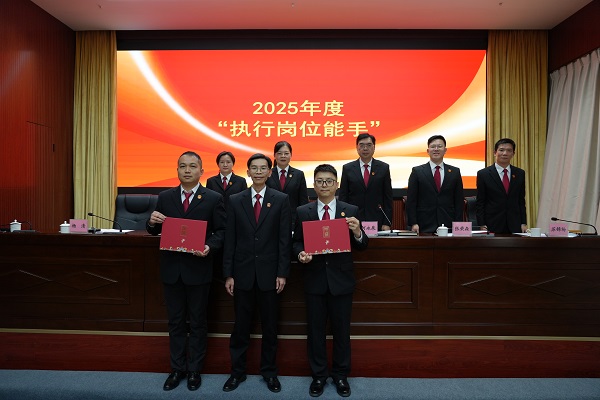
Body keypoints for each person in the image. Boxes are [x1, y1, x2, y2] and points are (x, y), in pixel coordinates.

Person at [146, 151, 226, 392]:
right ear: (177, 170)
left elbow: (221, 232)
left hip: (198, 269)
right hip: (172, 270)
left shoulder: (213, 198)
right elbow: (154, 230)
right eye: (183, 166)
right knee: (176, 322)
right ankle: (177, 369)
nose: (187, 170)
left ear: (202, 171)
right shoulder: (165, 197)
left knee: (198, 322)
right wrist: (151, 222)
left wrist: (209, 247)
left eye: (192, 166)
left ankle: (194, 370)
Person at [293, 164, 368, 398]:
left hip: (341, 280)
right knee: (315, 331)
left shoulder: (350, 210)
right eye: (320, 181)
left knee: (341, 331)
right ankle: (318, 376)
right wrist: (300, 253)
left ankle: (340, 376)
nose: (324, 185)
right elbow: (296, 242)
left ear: (336, 185)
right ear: (314, 185)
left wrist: (357, 232)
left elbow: (363, 245)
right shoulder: (303, 211)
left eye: (328, 181)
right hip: (314, 279)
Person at [222, 153, 292, 394]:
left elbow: (284, 240)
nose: (259, 172)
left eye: (263, 168)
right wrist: (228, 273)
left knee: (270, 327)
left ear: (270, 172)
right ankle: (237, 372)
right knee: (241, 327)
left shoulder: (281, 199)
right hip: (242, 274)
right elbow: (230, 239)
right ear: (248, 172)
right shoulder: (235, 200)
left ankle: (269, 372)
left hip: (270, 275)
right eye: (255, 168)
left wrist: (282, 272)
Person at [406, 135, 464, 233]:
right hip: (424, 224)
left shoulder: (455, 172)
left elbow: (458, 201)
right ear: (428, 151)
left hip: (448, 224)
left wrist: (458, 224)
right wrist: (413, 223)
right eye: (433, 146)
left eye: (439, 146)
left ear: (445, 150)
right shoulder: (417, 171)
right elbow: (411, 200)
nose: (436, 149)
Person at [339, 133, 393, 231]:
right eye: (362, 145)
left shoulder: (383, 168)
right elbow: (343, 196)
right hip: (353, 220)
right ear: (357, 147)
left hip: (377, 219)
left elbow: (388, 198)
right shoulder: (348, 168)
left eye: (369, 145)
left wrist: (387, 222)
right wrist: (344, 220)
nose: (365, 148)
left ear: (374, 147)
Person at [476, 138, 527, 233]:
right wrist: (481, 224)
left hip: (514, 224)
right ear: (495, 153)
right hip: (492, 223)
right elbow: (480, 202)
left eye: (509, 150)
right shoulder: (483, 174)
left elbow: (521, 200)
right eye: (501, 150)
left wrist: (523, 223)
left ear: (513, 154)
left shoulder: (520, 173)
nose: (505, 153)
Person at [266, 141, 309, 231]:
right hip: (271, 220)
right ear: (274, 155)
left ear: (291, 155)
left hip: (293, 220)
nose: (283, 156)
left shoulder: (298, 174)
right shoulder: (268, 173)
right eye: (279, 153)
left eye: (286, 153)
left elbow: (303, 200)